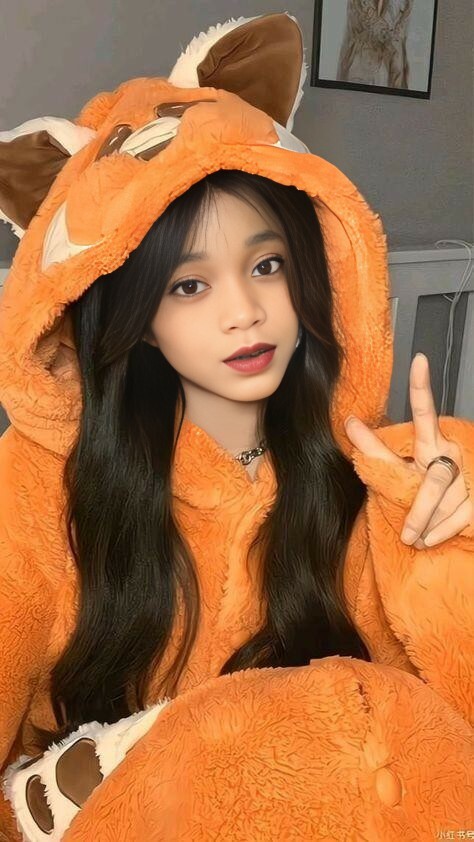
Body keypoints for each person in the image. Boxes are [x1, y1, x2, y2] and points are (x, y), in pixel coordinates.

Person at [0, 11, 472, 842]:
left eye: (266, 265)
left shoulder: (374, 475)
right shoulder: (35, 488)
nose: (246, 311)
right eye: (189, 285)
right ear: (140, 317)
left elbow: (434, 740)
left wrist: (448, 553)